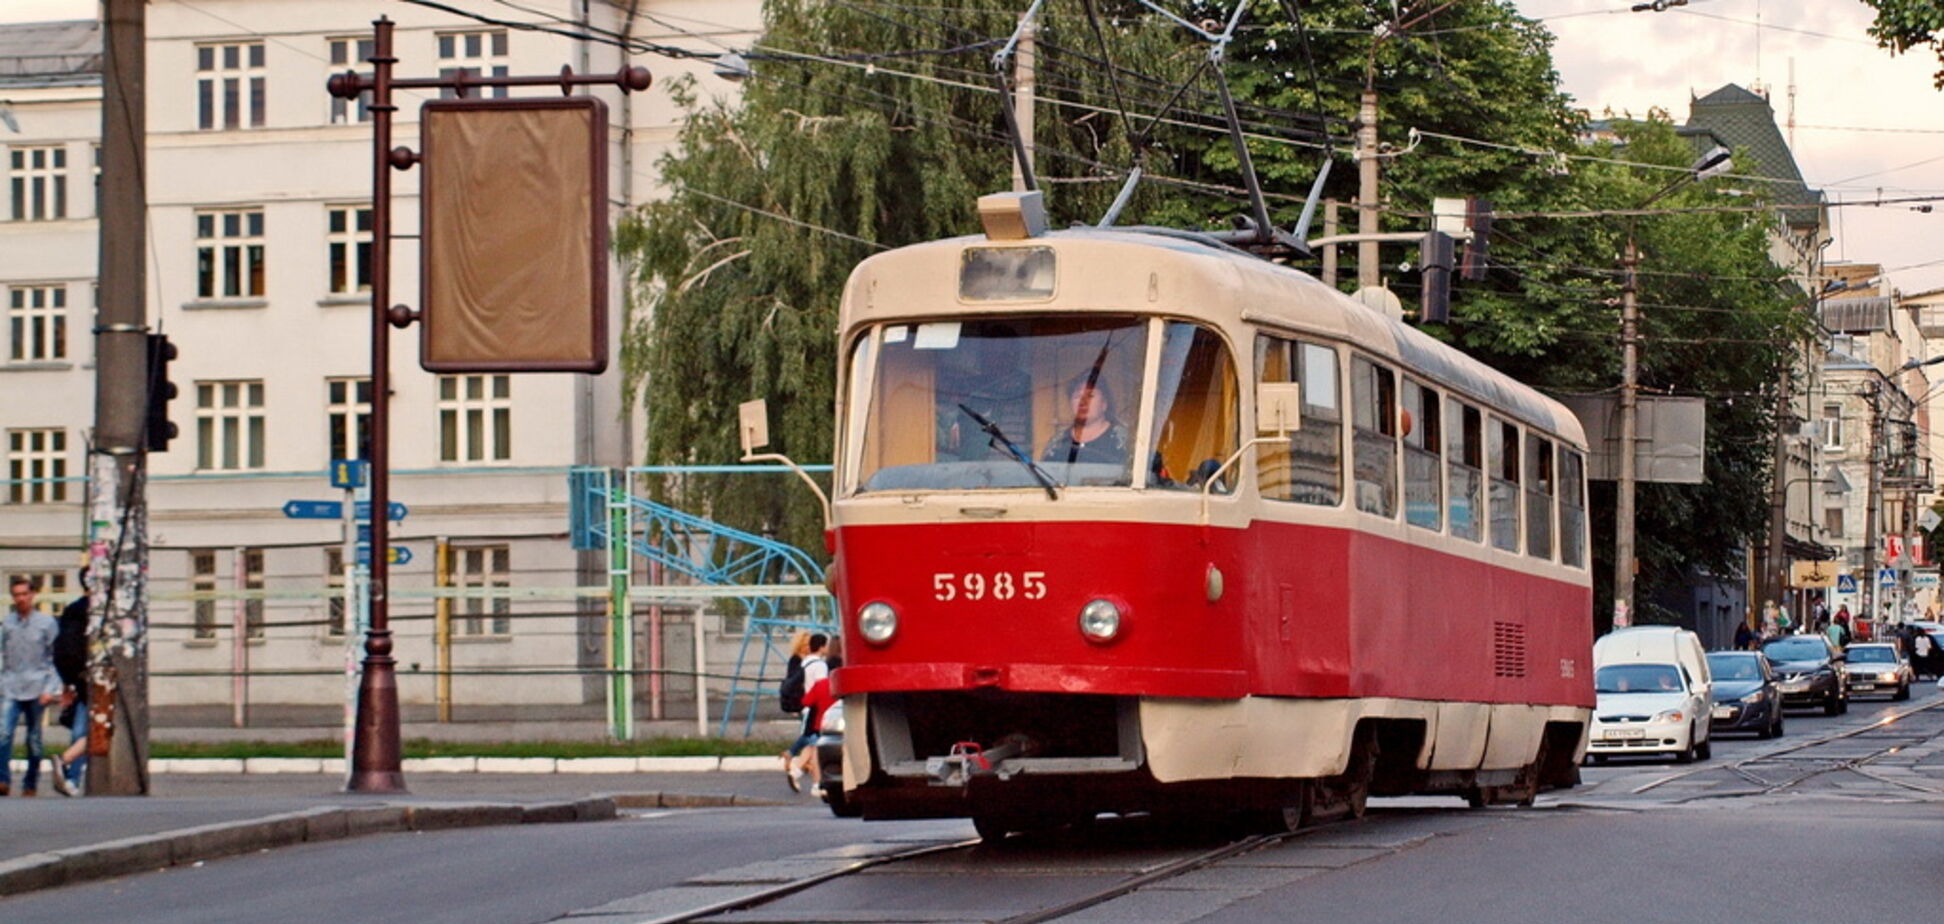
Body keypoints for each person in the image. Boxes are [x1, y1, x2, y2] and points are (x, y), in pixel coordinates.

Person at [2, 577, 62, 797]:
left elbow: (55, 658)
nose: (21, 599)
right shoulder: (8, 623)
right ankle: (3, 780)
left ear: (32, 595)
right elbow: (3, 654)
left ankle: (30, 782)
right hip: (11, 686)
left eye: (24, 594)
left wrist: (51, 688)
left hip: (38, 687)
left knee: (34, 739)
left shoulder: (46, 623)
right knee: (3, 733)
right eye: (17, 595)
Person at [48, 567, 90, 795]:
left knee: (81, 729)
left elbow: (61, 650)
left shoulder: (71, 610)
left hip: (78, 679)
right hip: (99, 679)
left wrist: (68, 682)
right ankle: (67, 763)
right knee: (102, 729)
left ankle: (70, 776)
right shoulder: (98, 611)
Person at [1040, 376, 1130, 468]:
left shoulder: (1125, 441)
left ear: (1104, 404)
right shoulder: (1058, 443)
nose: (1082, 402)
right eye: (1077, 397)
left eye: (1090, 395)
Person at [784, 633, 829, 793]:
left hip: (807, 705)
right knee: (815, 744)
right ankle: (811, 779)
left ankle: (796, 767)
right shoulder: (821, 665)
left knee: (811, 744)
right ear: (822, 646)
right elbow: (822, 687)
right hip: (817, 708)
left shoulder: (805, 662)